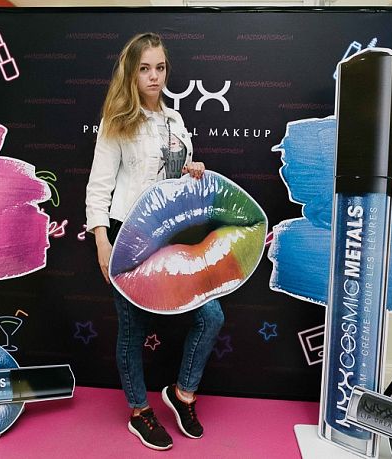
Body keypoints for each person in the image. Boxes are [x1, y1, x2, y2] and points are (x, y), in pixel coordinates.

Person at [85, 33, 224, 451]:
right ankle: (138, 411)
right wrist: (102, 242)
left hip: (172, 236)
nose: (154, 76)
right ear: (131, 72)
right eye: (144, 68)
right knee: (133, 329)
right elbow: (98, 188)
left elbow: (173, 179)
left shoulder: (175, 119)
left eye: (160, 67)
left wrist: (192, 169)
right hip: (129, 237)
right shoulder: (117, 121)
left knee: (211, 316)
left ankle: (182, 394)